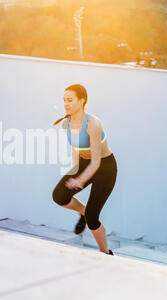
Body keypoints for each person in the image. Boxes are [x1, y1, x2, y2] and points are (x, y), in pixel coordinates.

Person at [52, 84, 117, 255]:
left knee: (93, 217)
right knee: (59, 196)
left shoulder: (93, 124)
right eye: (64, 100)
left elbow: (96, 162)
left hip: (105, 168)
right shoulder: (65, 124)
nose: (66, 104)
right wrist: (74, 171)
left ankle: (106, 253)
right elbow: (76, 148)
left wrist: (80, 180)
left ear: (82, 101)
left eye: (70, 100)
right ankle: (83, 212)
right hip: (84, 163)